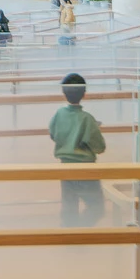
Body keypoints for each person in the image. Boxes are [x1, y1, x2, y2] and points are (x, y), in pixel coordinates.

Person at [49, 74, 107, 226]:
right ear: (84, 94)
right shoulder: (87, 119)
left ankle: (71, 239)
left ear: (64, 93)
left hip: (65, 167)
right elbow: (99, 147)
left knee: (69, 208)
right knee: (97, 207)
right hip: (86, 169)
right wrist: (94, 129)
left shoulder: (59, 114)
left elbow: (54, 135)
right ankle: (83, 231)